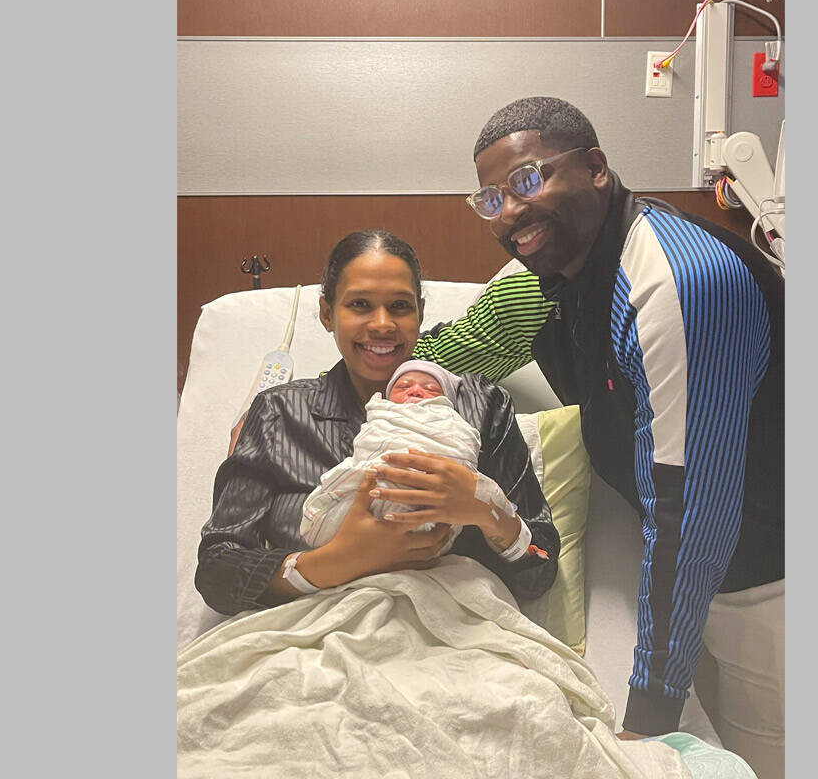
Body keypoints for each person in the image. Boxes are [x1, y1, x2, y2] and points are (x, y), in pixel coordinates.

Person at [406, 98, 785, 778]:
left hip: (768, 579)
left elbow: (692, 513)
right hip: (706, 574)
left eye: (527, 181)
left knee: (766, 752)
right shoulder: (558, 278)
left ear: (596, 168)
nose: (510, 212)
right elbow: (462, 348)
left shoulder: (677, 282)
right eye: (490, 199)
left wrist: (648, 715)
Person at [196, 230, 559, 616]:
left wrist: (486, 511)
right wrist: (337, 560)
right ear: (326, 313)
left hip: (452, 637)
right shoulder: (278, 415)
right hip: (315, 641)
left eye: (400, 306)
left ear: (419, 311)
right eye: (360, 304)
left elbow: (539, 567)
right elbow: (218, 572)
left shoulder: (481, 406)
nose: (383, 324)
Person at [300, 359, 523, 560]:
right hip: (368, 492)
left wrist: (487, 505)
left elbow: (462, 446)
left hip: (436, 522)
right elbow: (369, 443)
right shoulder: (381, 414)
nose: (415, 391)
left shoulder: (462, 418)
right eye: (403, 386)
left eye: (431, 389)